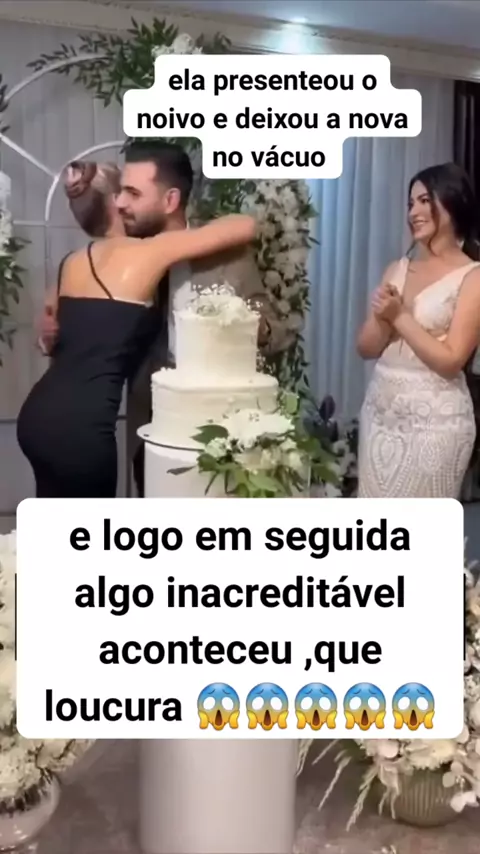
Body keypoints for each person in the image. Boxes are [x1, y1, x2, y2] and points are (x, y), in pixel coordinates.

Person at [17, 160, 257, 498]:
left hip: (36, 416)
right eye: (126, 192)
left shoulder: (70, 262)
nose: (130, 202)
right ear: (115, 201)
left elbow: (51, 336)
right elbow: (246, 226)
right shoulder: (148, 252)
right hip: (82, 430)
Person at [116, 141, 287, 496]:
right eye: (120, 191)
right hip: (151, 421)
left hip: (220, 428)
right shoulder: (123, 256)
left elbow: (276, 332)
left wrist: (240, 320)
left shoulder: (224, 254)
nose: (120, 203)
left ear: (170, 200)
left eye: (133, 193)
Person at [356, 161, 480, 498]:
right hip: (380, 413)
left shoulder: (473, 276)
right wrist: (382, 317)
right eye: (411, 203)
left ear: (453, 203)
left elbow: (451, 360)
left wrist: (399, 316)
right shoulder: (397, 268)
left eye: (425, 201)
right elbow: (366, 348)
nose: (414, 212)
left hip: (435, 422)